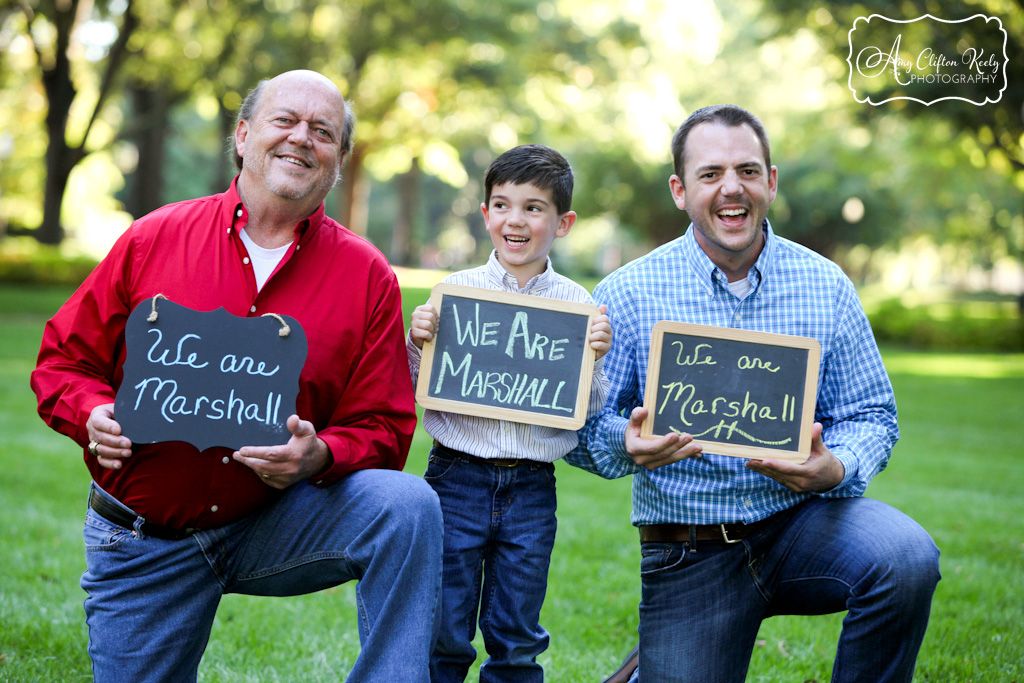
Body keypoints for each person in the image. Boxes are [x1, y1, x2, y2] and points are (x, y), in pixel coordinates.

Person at [30, 70, 443, 683]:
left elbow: (383, 424)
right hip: (148, 536)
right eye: (285, 121)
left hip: (276, 519)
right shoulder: (153, 238)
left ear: (339, 161)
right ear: (244, 136)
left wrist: (319, 455)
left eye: (323, 131)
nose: (302, 138)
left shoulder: (367, 276)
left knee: (408, 507)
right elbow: (63, 362)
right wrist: (89, 411)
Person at [567, 105, 941, 683]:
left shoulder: (825, 285)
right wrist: (627, 441)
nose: (730, 188)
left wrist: (836, 467)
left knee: (905, 557)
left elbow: (872, 413)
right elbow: (578, 428)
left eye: (746, 170)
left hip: (802, 524)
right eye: (710, 174)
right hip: (690, 547)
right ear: (679, 190)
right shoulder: (628, 293)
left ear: (770, 180)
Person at [406, 144, 612, 683]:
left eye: (533, 207)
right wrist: (416, 341)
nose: (514, 220)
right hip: (456, 475)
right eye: (502, 205)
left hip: (531, 485)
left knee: (517, 634)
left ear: (563, 223)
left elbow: (585, 413)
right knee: (444, 628)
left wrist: (593, 361)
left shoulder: (577, 305)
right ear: (485, 214)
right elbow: (419, 387)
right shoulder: (454, 293)